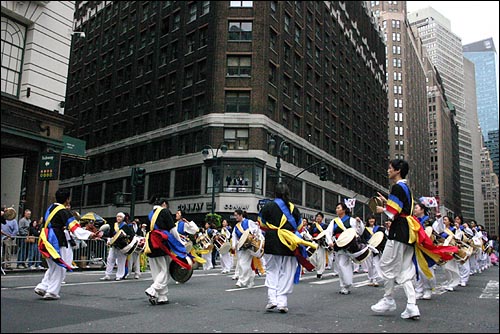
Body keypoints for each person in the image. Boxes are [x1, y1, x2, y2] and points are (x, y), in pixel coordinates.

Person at [370, 159, 421, 319]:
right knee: (404, 269)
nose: (388, 170)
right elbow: (401, 208)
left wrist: (382, 208)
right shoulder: (406, 188)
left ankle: (389, 299)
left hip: (398, 231)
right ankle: (412, 305)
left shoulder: (397, 187)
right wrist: (388, 202)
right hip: (408, 232)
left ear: (398, 170)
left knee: (386, 265)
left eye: (390, 168)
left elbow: (393, 212)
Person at [258, 182, 316, 313]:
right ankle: (282, 301)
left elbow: (261, 223)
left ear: (275, 193)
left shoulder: (268, 206)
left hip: (273, 240)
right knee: (287, 271)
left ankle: (272, 299)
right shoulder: (293, 209)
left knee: (272, 270)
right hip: (289, 241)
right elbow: (300, 227)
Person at [35, 189, 97, 300]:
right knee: (61, 265)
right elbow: (74, 227)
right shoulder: (63, 211)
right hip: (57, 239)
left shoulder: (50, 208)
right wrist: (89, 234)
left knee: (53, 265)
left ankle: (43, 286)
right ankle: (52, 292)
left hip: (45, 237)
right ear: (67, 199)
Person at [144, 197, 188, 305]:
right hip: (161, 242)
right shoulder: (164, 211)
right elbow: (172, 229)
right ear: (164, 204)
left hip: (150, 243)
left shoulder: (150, 214)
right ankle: (153, 289)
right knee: (165, 270)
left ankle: (162, 296)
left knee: (156, 271)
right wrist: (180, 243)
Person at [325, 202, 364, 295]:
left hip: (349, 244)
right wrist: (329, 241)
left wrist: (359, 222)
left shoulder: (351, 220)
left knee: (344, 264)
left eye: (338, 208)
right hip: (339, 244)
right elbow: (328, 232)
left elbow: (359, 231)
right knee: (340, 265)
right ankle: (344, 286)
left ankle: (347, 284)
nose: (337, 209)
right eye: (336, 208)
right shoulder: (334, 221)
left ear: (344, 210)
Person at [231, 209, 262, 288]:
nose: (235, 217)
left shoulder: (249, 222)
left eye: (236, 215)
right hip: (241, 247)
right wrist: (234, 245)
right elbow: (234, 236)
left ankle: (241, 281)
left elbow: (256, 230)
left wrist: (255, 235)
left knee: (243, 263)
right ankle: (251, 280)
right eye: (235, 215)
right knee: (244, 264)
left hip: (249, 246)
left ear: (241, 215)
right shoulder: (236, 226)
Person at [100, 212, 135, 281]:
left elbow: (131, 235)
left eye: (120, 217)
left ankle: (119, 275)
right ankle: (107, 274)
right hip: (114, 245)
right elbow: (110, 235)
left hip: (122, 246)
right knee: (110, 259)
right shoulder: (114, 225)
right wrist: (109, 239)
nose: (118, 218)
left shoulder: (126, 226)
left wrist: (125, 235)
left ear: (123, 218)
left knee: (121, 261)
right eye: (117, 217)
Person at [361, 215, 385, 287]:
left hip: (377, 247)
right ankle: (371, 279)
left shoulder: (379, 228)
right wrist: (367, 244)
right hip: (368, 247)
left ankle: (375, 279)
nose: (371, 220)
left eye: (373, 219)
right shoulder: (365, 229)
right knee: (369, 265)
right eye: (370, 219)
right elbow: (362, 239)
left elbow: (383, 236)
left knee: (375, 263)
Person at [308, 212, 329, 279]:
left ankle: (319, 272)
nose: (318, 218)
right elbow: (309, 233)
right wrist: (310, 238)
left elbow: (327, 234)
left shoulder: (325, 226)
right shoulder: (313, 225)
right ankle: (317, 267)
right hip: (314, 242)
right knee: (311, 257)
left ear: (322, 218)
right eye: (317, 216)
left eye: (319, 216)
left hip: (321, 243)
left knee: (321, 258)